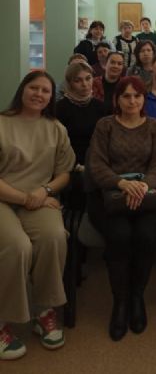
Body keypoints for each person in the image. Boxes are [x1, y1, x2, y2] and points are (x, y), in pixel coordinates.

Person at [0, 71, 75, 360]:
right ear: (22, 89)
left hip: (40, 198)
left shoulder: (55, 128)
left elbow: (64, 173)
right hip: (5, 199)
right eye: (34, 88)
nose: (39, 94)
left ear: (51, 97)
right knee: (17, 246)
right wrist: (26, 198)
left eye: (45, 91)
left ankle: (44, 310)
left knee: (54, 237)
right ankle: (3, 320)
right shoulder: (3, 123)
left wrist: (44, 191)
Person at [86, 77, 156, 341]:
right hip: (111, 196)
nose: (132, 101)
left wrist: (142, 186)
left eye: (137, 96)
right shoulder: (105, 125)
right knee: (120, 237)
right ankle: (120, 302)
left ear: (144, 99)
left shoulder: (154, 127)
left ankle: (136, 297)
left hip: (145, 194)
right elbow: (97, 164)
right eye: (126, 96)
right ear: (117, 99)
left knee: (145, 237)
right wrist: (122, 184)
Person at [56, 62, 106, 209]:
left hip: (97, 160)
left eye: (88, 78)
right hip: (70, 163)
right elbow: (58, 145)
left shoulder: (101, 107)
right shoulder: (60, 108)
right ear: (70, 83)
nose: (84, 84)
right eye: (78, 80)